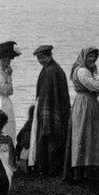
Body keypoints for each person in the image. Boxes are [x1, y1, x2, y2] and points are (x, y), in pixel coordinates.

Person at [64, 47, 99, 185]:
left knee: (90, 135)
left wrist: (95, 74)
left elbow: (96, 86)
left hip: (89, 103)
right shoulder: (82, 71)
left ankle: (90, 170)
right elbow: (97, 85)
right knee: (82, 134)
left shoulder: (89, 70)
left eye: (94, 57)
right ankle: (80, 172)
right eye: (89, 57)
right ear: (84, 57)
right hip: (84, 103)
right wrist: (96, 76)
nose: (92, 59)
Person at [27, 45, 71, 176]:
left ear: (49, 56)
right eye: (39, 58)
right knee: (54, 138)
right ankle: (52, 168)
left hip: (50, 110)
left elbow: (48, 95)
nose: (41, 60)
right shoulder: (53, 69)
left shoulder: (50, 71)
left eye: (43, 57)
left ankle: (48, 169)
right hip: (56, 109)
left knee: (48, 137)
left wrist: (45, 115)